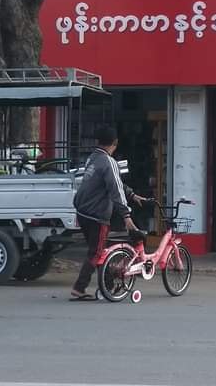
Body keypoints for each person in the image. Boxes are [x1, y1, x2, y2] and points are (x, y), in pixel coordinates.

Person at [70, 125, 146, 301]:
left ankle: (108, 285)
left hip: (83, 211)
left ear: (98, 141)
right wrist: (126, 216)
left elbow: (115, 182)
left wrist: (132, 194)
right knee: (96, 252)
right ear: (115, 143)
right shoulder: (109, 162)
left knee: (99, 250)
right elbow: (116, 190)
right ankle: (79, 288)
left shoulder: (93, 158)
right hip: (97, 215)